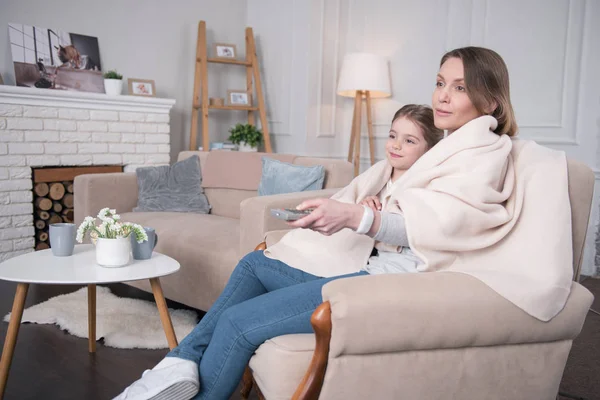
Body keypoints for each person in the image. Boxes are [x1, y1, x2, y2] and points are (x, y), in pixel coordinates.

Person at [114, 104, 443, 400]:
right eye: (393, 135)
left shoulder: (426, 188)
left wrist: (372, 216)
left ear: (430, 150)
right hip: (354, 266)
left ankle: (181, 372)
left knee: (236, 321)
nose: (396, 145)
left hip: (371, 284)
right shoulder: (380, 176)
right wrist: (361, 206)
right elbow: (350, 214)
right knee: (255, 263)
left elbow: (410, 235)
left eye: (410, 140)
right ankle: (180, 360)